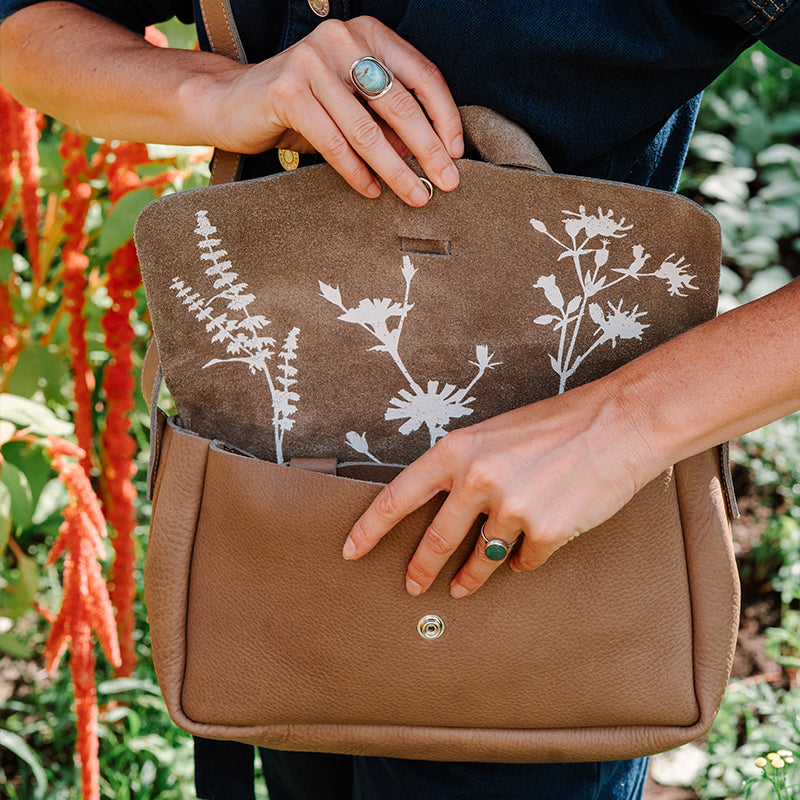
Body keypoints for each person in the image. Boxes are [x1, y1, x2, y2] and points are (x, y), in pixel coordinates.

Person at [1, 2, 798, 798]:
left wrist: (625, 423)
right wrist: (216, 91)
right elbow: (24, 25)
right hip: (280, 553)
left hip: (553, 576)